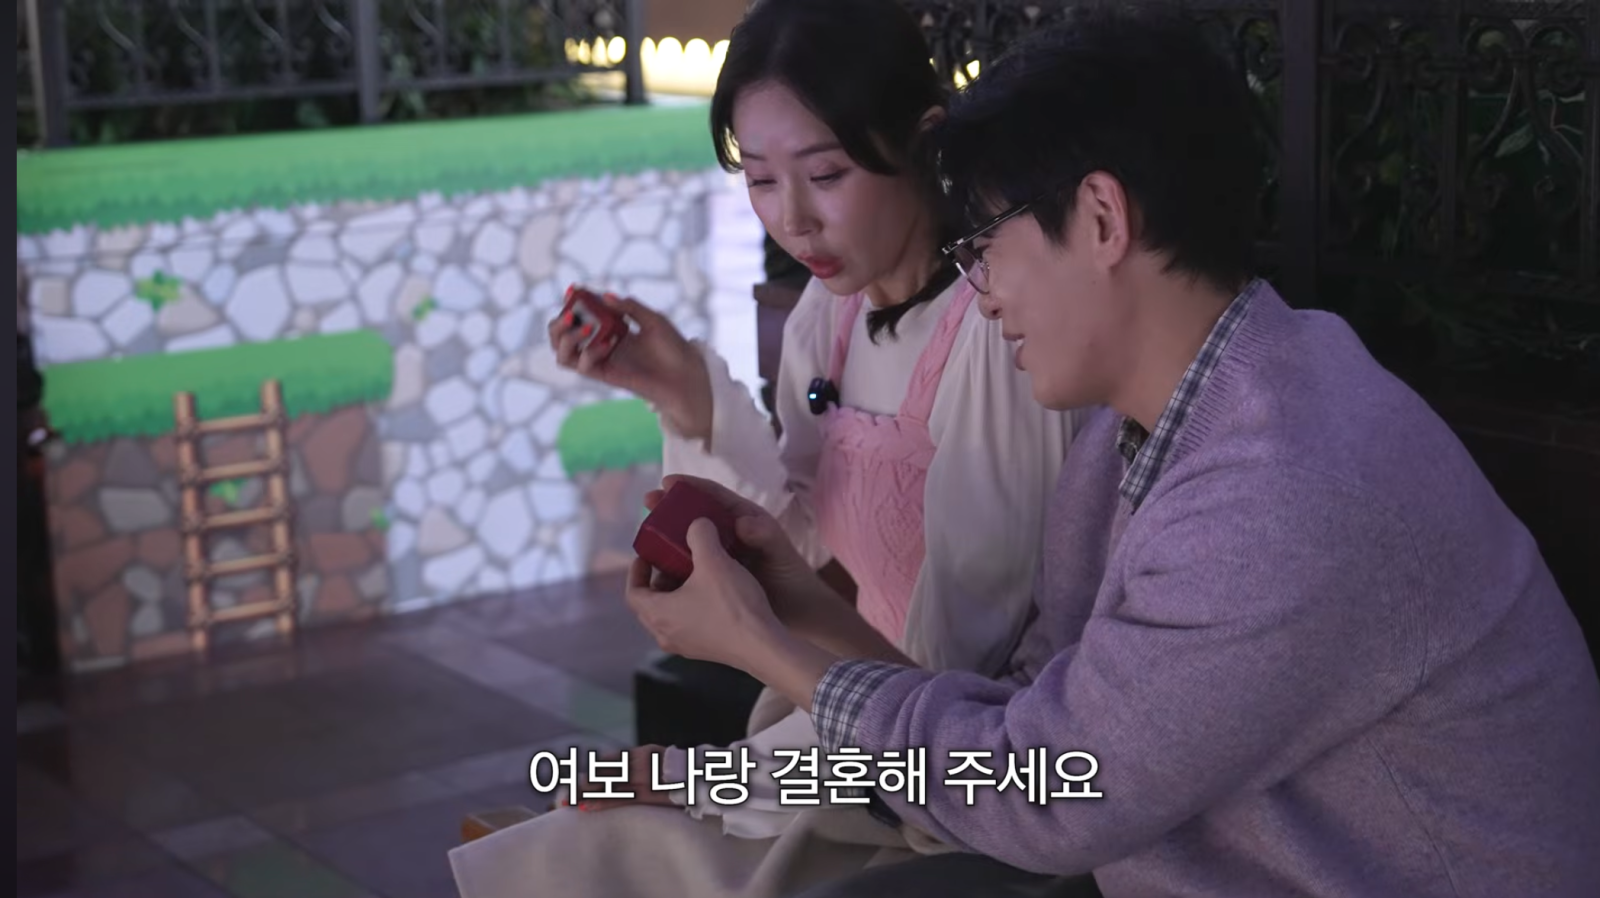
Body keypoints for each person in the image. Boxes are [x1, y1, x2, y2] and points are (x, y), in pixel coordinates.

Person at [609, 8, 1600, 898]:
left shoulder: (1282, 489)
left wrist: (760, 646)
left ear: (1099, 219)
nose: (980, 292)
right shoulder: (1143, 433)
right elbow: (1024, 724)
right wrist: (801, 605)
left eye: (986, 243)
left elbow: (1047, 794)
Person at [448, 1, 1081, 895]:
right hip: (843, 741)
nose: (794, 220)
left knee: (573, 853)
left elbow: (951, 708)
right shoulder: (834, 312)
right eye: (760, 179)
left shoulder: (996, 336)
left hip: (942, 796)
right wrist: (681, 391)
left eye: (825, 174)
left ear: (924, 139)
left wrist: (702, 779)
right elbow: (808, 551)